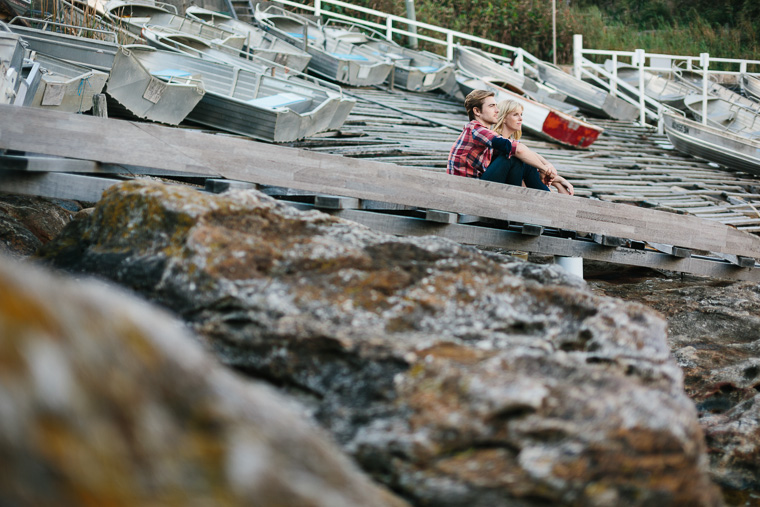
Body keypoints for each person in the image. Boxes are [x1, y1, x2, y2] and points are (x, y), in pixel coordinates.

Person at [447, 90, 557, 189]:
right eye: (491, 106)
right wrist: (544, 169)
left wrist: (548, 169)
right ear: (477, 111)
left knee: (518, 157)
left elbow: (523, 150)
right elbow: (518, 150)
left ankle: (547, 198)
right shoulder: (476, 130)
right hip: (466, 190)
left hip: (473, 188)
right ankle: (546, 200)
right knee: (512, 156)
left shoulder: (484, 136)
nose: (497, 110)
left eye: (496, 106)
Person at [492, 99, 574, 195]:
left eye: (521, 114)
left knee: (529, 162)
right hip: (495, 188)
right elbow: (521, 152)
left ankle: (553, 196)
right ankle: (552, 197)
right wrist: (550, 172)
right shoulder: (498, 140)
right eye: (515, 115)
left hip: (510, 186)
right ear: (504, 118)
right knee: (525, 161)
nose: (521, 118)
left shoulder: (515, 144)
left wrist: (555, 177)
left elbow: (528, 153)